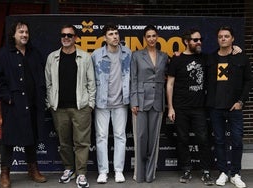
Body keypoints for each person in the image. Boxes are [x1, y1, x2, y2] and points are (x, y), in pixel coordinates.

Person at [0, 20, 47, 188]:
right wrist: (7, 97)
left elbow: (42, 76)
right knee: (8, 140)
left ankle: (33, 169)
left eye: (26, 32)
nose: (24, 35)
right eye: (21, 32)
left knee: (31, 137)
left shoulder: (34, 53)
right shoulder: (3, 54)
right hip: (13, 105)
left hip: (33, 103)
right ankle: (5, 173)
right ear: (13, 35)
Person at [45, 24, 95, 188]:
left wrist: (90, 104)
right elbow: (48, 83)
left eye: (69, 35)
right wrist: (50, 103)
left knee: (82, 142)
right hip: (59, 108)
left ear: (76, 38)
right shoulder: (52, 57)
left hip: (81, 108)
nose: (66, 38)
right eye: (63, 35)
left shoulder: (85, 57)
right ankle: (68, 169)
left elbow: (91, 83)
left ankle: (81, 174)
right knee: (64, 142)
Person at [166, 28, 214, 185]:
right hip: (180, 107)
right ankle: (186, 170)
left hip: (199, 107)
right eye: (195, 40)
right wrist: (171, 107)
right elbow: (170, 84)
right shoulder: (177, 60)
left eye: (200, 39)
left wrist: (235, 48)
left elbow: (222, 55)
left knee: (203, 139)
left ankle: (206, 171)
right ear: (186, 41)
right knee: (182, 139)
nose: (199, 42)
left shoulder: (205, 58)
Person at [206, 26, 252, 188]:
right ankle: (223, 172)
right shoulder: (210, 59)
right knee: (219, 141)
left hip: (235, 107)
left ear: (233, 39)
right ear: (217, 39)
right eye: (220, 36)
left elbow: (248, 81)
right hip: (215, 107)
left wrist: (241, 101)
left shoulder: (241, 58)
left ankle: (236, 173)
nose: (223, 39)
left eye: (226, 36)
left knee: (237, 141)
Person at [91, 23, 131, 184]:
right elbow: (91, 79)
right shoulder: (96, 55)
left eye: (116, 33)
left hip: (121, 102)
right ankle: (103, 171)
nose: (115, 36)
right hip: (102, 102)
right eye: (111, 34)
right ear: (104, 38)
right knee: (101, 137)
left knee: (120, 136)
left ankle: (118, 170)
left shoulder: (128, 53)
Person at [130, 25, 168, 183]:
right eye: (148, 36)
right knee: (140, 138)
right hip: (140, 101)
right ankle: (139, 174)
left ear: (157, 37)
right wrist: (134, 101)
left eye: (154, 36)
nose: (151, 39)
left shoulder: (164, 56)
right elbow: (133, 78)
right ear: (144, 39)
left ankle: (150, 175)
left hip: (158, 101)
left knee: (154, 141)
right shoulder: (137, 55)